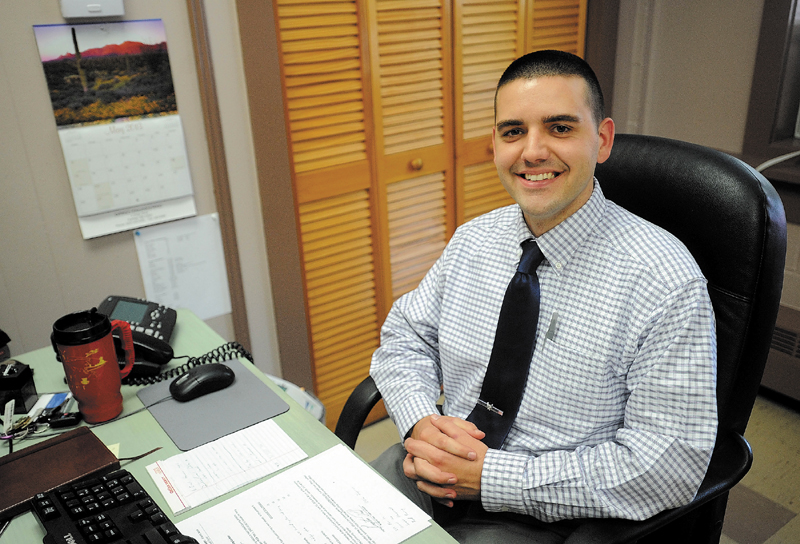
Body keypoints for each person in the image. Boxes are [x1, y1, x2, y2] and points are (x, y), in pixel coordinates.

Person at [369, 50, 717, 543]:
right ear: (494, 145)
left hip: (552, 511)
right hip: (434, 463)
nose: (532, 152)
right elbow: (406, 337)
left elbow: (668, 464)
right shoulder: (474, 240)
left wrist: (490, 478)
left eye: (559, 128)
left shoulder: (664, 280)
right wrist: (421, 421)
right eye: (513, 131)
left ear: (602, 140)